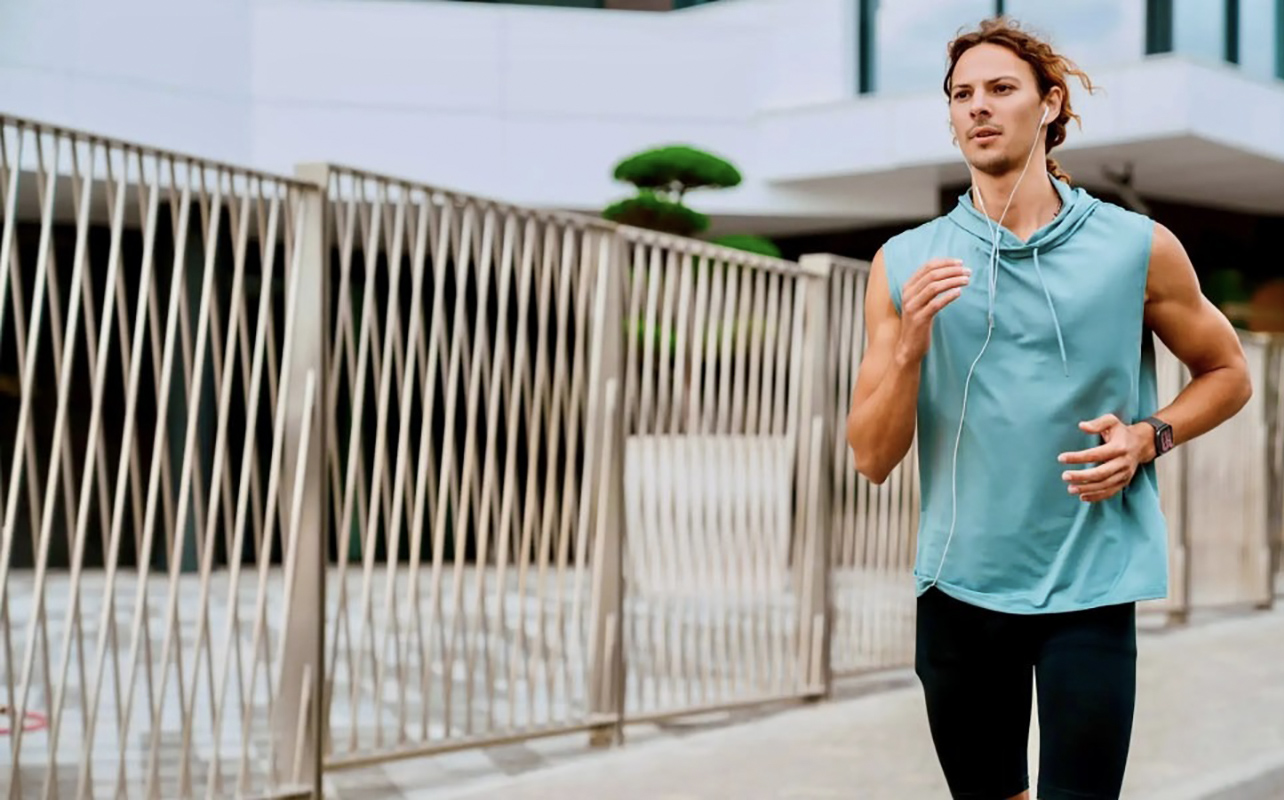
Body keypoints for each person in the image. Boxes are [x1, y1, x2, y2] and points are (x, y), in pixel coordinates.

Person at [845, 17, 1253, 800]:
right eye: (962, 95)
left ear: (1049, 103)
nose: (978, 108)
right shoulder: (905, 262)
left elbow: (1228, 372)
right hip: (960, 590)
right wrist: (908, 351)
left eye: (1001, 89)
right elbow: (870, 456)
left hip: (1090, 588)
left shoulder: (1137, 246)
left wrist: (1147, 437)